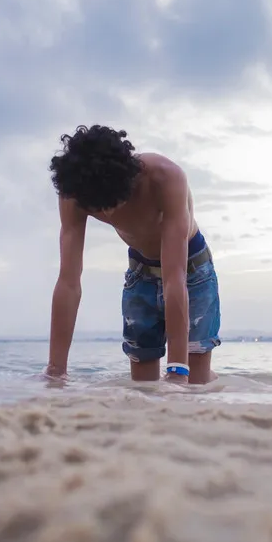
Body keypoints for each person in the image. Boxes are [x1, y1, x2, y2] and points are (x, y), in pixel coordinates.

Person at [43, 125, 221, 384]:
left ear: (130, 180)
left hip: (191, 272)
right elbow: (69, 283)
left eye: (114, 203)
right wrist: (55, 370)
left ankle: (219, 386)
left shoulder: (165, 178)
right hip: (140, 274)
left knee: (193, 384)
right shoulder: (75, 192)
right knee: (144, 387)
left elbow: (175, 278)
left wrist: (177, 370)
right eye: (99, 209)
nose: (110, 214)